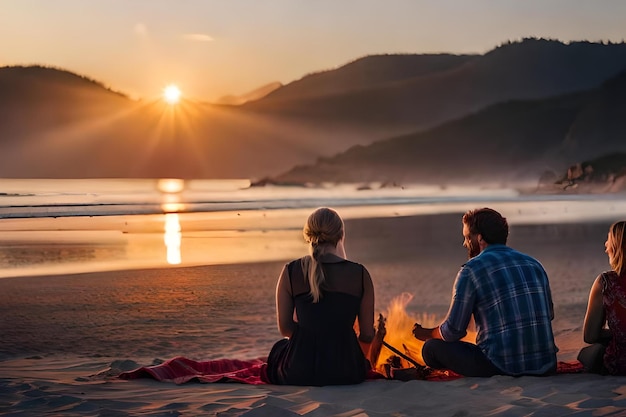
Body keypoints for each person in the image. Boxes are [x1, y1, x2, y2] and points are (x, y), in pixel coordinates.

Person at [412, 207, 558, 377]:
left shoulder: (472, 270)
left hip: (502, 367)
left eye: (467, 237)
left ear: (480, 238)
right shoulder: (534, 264)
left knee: (431, 348)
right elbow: (549, 314)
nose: (465, 243)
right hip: (546, 365)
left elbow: (453, 332)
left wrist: (428, 334)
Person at [262, 207, 376, 386]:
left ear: (308, 235)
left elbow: (285, 329)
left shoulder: (291, 271)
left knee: (279, 348)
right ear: (340, 236)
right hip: (347, 372)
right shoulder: (360, 274)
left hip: (298, 371)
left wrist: (313, 337)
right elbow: (368, 335)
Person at [578, 221, 626, 375]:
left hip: (621, 363)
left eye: (609, 240)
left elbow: (590, 335)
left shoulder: (606, 283)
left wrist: (619, 332)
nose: (606, 246)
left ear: (617, 247)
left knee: (588, 354)